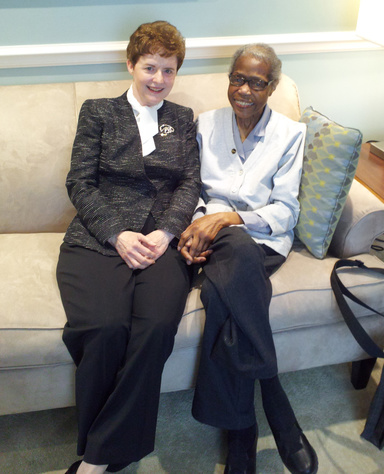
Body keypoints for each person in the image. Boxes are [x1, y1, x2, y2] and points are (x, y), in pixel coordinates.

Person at [56, 21, 201, 474]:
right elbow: (79, 181)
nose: (159, 79)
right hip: (101, 239)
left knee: (156, 328)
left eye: (169, 70)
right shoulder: (97, 111)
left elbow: (189, 182)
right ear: (131, 64)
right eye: (150, 67)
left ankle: (98, 457)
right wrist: (117, 233)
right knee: (103, 326)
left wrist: (168, 231)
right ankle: (115, 447)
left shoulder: (181, 118)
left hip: (161, 242)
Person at [178, 43, 318, 474]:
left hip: (258, 237)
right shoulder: (205, 124)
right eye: (236, 78)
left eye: (255, 82)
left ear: (271, 87)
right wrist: (203, 221)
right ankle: (276, 406)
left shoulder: (291, 134)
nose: (243, 89)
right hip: (214, 239)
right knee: (232, 259)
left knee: (223, 296)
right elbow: (192, 190)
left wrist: (228, 219)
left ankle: (242, 430)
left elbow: (285, 210)